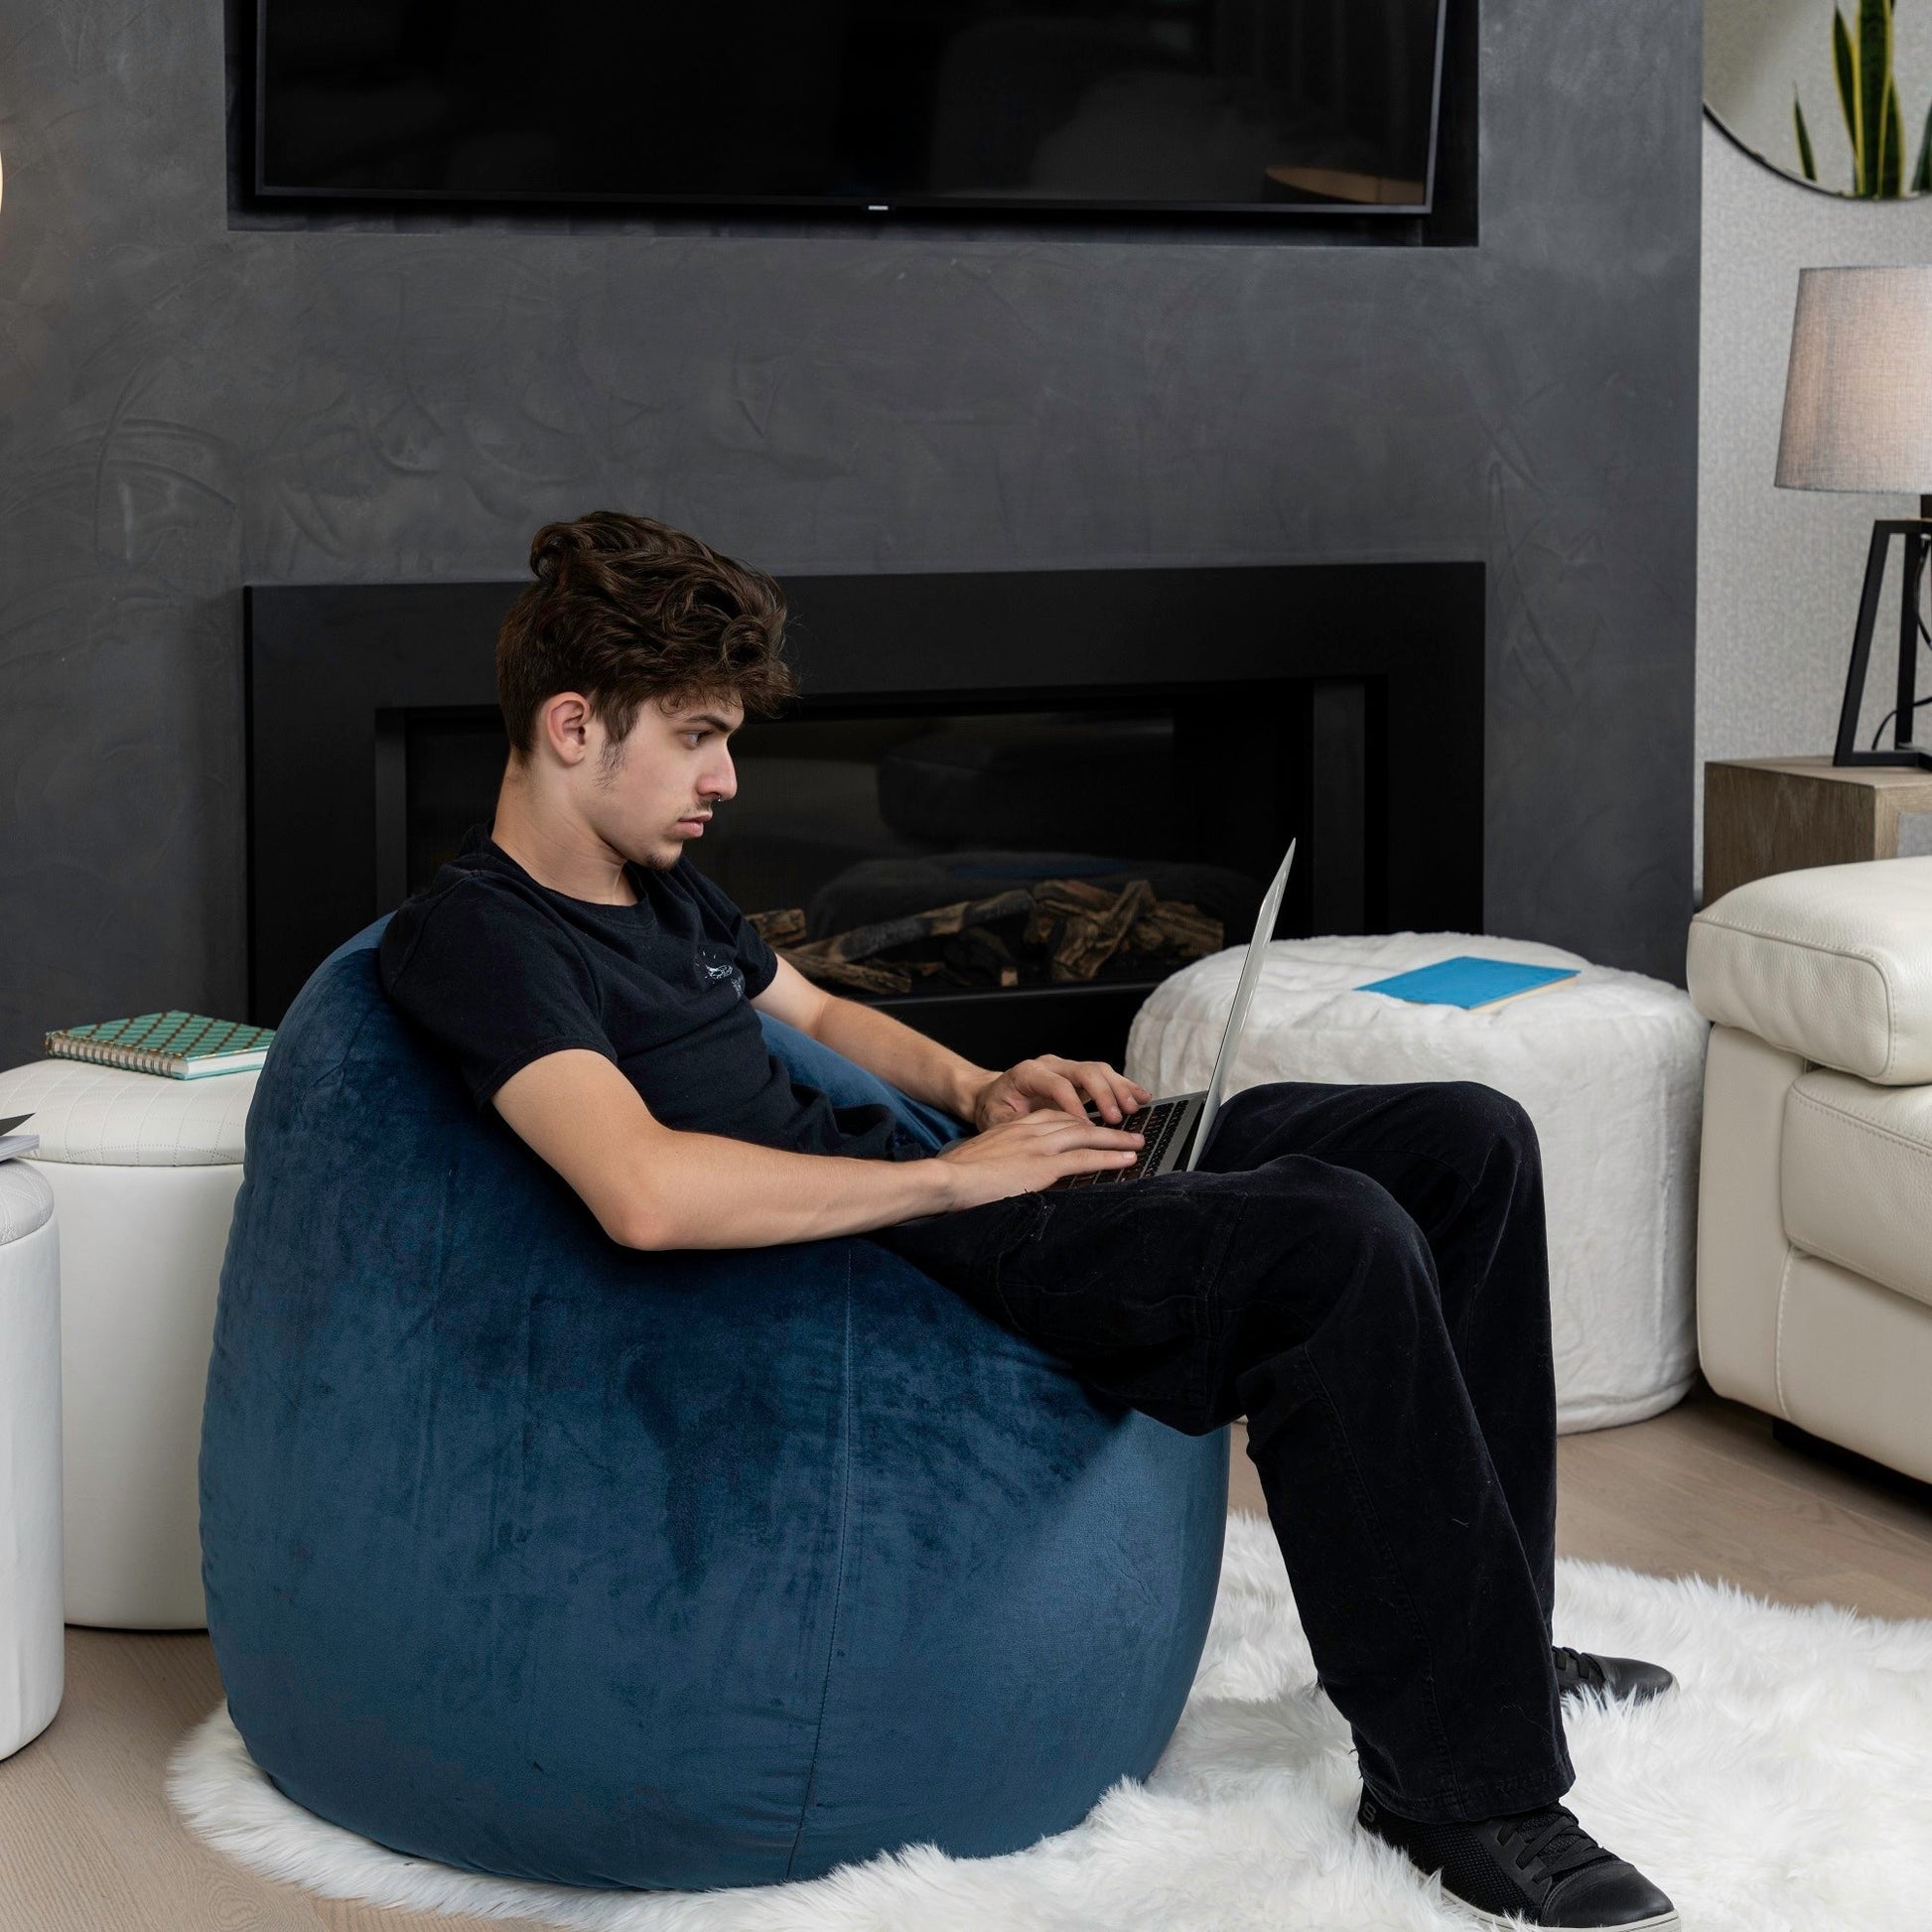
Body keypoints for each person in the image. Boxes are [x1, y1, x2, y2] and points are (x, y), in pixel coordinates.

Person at [378, 510, 1681, 1932]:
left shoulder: (655, 883)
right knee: (1335, 1235)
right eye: (698, 735)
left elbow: (810, 1010)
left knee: (1463, 1139)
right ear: (574, 727)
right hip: (912, 1253)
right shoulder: (481, 938)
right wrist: (951, 1180)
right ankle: (1462, 1789)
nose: (727, 776)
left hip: (966, 1175)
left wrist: (984, 1087)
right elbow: (638, 1189)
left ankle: (1492, 1642)